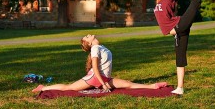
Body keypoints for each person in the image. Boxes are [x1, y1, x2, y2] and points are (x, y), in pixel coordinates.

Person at [32, 34, 168, 93]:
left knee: (127, 84)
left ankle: (153, 86)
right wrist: (103, 84)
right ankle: (43, 88)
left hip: (104, 78)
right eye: (86, 37)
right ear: (89, 43)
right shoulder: (95, 49)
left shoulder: (100, 47)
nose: (88, 35)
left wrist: (104, 82)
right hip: (95, 78)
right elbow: (95, 68)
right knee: (69, 88)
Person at [154, 0, 201, 95]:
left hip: (179, 25)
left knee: (196, 1)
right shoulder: (163, 0)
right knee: (180, 59)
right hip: (178, 31)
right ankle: (180, 87)